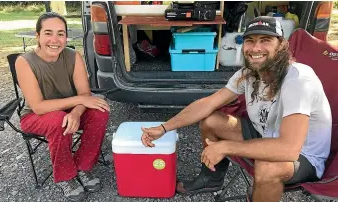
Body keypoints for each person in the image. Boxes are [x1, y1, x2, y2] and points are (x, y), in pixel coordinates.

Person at [141, 16, 332, 202]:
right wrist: (164, 127)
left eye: (265, 40)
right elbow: (208, 103)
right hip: (265, 134)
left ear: (281, 45)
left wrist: (225, 146)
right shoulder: (248, 74)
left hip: (302, 156)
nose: (256, 48)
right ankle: (211, 179)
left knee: (267, 168)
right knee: (211, 120)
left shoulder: (298, 79)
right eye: (250, 41)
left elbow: (288, 149)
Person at [16, 12, 110, 201]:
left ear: (66, 37)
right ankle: (66, 177)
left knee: (100, 111)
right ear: (37, 36)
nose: (55, 40)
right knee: (59, 119)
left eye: (61, 34)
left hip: (69, 110)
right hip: (36, 116)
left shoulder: (73, 56)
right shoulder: (24, 61)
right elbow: (38, 107)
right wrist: (78, 102)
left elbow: (85, 95)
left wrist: (76, 112)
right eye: (48, 33)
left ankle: (83, 166)